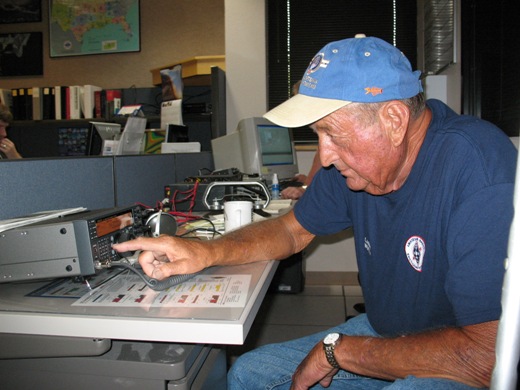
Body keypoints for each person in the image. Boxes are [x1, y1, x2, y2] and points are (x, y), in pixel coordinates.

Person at [113, 34, 517, 389]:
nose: (323, 157)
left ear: (393, 120)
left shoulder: (480, 170)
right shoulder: (354, 169)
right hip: (386, 329)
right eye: (318, 136)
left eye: (333, 135)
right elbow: (292, 231)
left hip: (458, 350)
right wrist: (206, 251)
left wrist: (343, 352)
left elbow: (489, 357)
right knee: (248, 375)